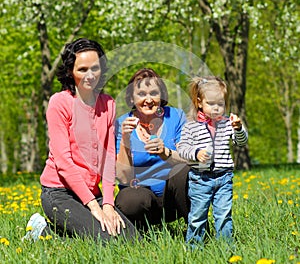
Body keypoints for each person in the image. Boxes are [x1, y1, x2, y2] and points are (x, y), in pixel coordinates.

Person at [23, 38, 139, 243]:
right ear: (70, 71)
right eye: (82, 69)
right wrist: (94, 207)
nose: (90, 75)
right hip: (59, 193)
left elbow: (109, 157)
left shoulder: (108, 104)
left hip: (93, 193)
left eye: (95, 68)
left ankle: (62, 230)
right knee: (107, 240)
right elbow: (64, 163)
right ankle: (41, 231)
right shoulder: (60, 103)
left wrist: (108, 205)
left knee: (132, 240)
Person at [114, 68, 190, 231]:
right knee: (129, 198)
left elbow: (189, 158)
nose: (148, 100)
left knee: (184, 171)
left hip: (175, 199)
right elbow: (123, 178)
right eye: (141, 94)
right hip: (143, 199)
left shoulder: (175, 116)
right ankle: (140, 235)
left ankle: (197, 231)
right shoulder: (122, 124)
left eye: (154, 93)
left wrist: (166, 153)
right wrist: (125, 140)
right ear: (132, 98)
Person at [177, 76, 248, 246]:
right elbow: (182, 148)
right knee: (197, 216)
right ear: (199, 102)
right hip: (200, 179)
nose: (216, 108)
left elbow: (241, 142)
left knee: (223, 214)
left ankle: (225, 247)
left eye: (221, 104)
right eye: (211, 104)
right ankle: (194, 248)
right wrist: (196, 153)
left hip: (224, 178)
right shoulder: (191, 125)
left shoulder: (227, 124)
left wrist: (238, 128)